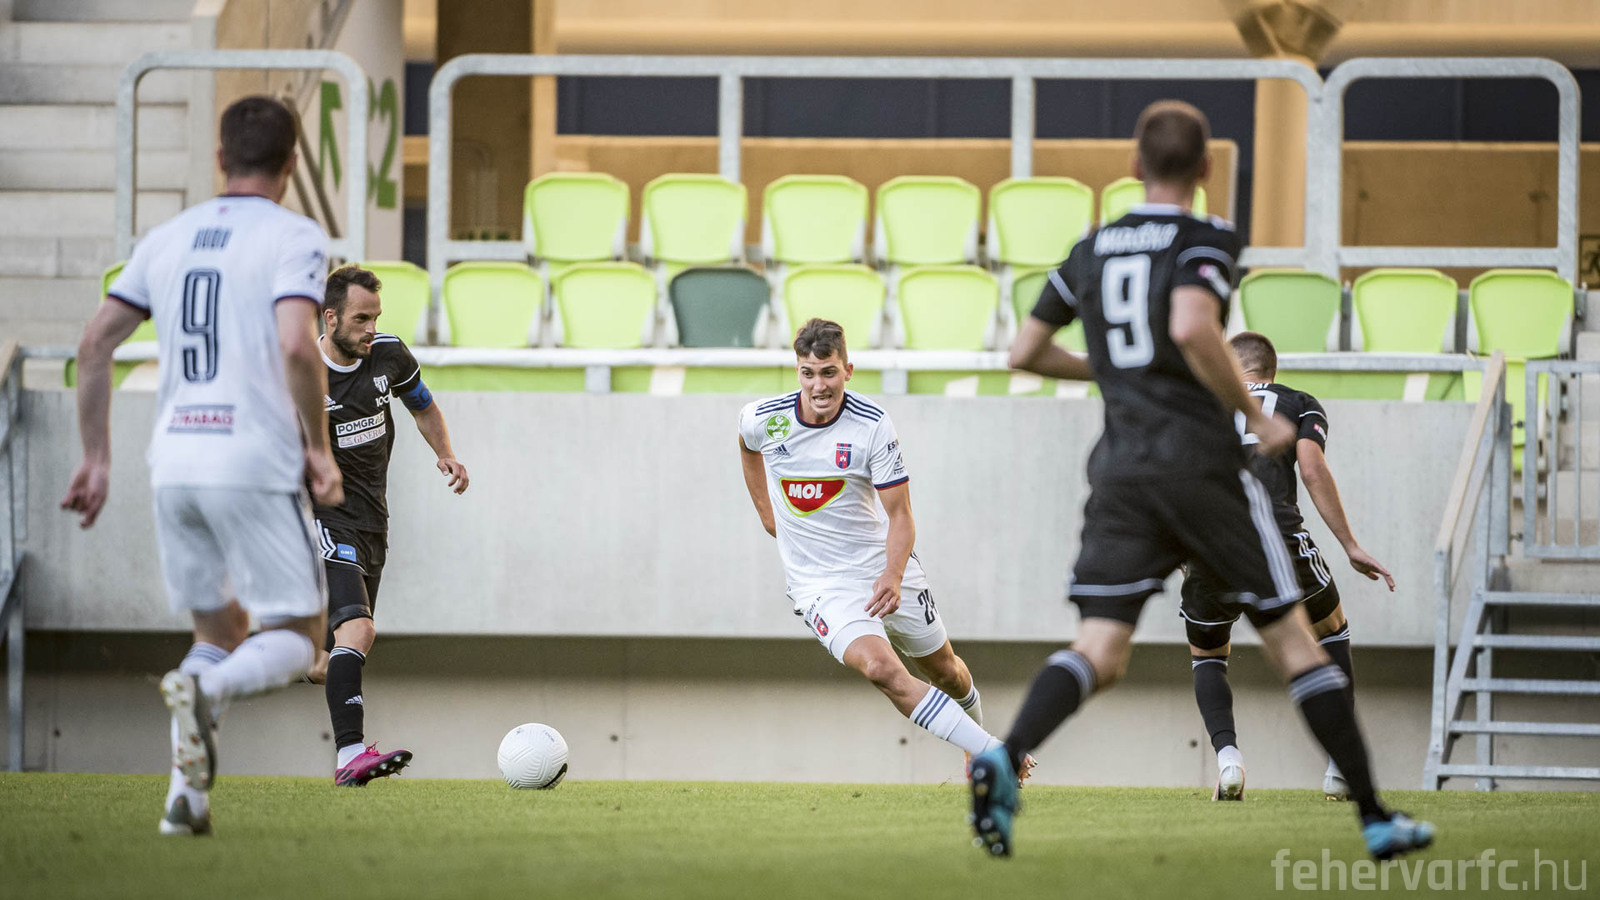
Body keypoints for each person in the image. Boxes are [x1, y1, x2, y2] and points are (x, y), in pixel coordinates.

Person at [968, 100, 1432, 861]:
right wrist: (1253, 411)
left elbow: (1023, 353)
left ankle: (1005, 752)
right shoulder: (1205, 236)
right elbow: (1189, 324)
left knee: (1099, 649)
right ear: (1208, 169)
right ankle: (1376, 816)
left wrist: (1115, 371)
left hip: (1121, 473)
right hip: (1202, 471)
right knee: (1297, 644)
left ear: (1133, 164)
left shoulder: (1090, 246)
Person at [62, 96, 340, 836]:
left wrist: (96, 458)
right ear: (290, 165)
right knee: (299, 637)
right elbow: (296, 343)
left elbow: (94, 344)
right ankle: (206, 695)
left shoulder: (166, 238)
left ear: (220, 158)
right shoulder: (294, 235)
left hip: (174, 462)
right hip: (251, 459)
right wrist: (317, 448)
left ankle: (185, 802)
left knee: (216, 634)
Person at [738, 319, 1027, 774]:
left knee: (947, 672)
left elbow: (901, 515)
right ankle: (995, 754)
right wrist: (765, 512)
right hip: (820, 585)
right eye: (808, 373)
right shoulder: (763, 418)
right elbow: (747, 444)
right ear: (797, 372)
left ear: (847, 370)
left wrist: (893, 575)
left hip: (884, 568)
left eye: (829, 372)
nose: (818, 386)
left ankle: (973, 739)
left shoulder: (871, 424)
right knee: (881, 669)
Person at [1185, 331, 1395, 801]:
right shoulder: (1297, 402)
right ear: (1270, 369)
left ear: (1231, 366)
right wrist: (1350, 545)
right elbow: (1312, 469)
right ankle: (1338, 767)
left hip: (1209, 545)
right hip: (1277, 537)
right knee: (1330, 630)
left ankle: (1229, 761)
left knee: (1208, 656)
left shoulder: (1202, 402)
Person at [304, 264, 469, 786]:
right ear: (330, 318)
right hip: (327, 519)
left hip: (374, 521)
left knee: (327, 662)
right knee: (360, 629)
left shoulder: (389, 355)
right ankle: (349, 757)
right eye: (360, 319)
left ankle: (283, 648)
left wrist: (445, 453)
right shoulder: (302, 374)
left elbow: (423, 406)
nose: (371, 329)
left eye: (376, 317)